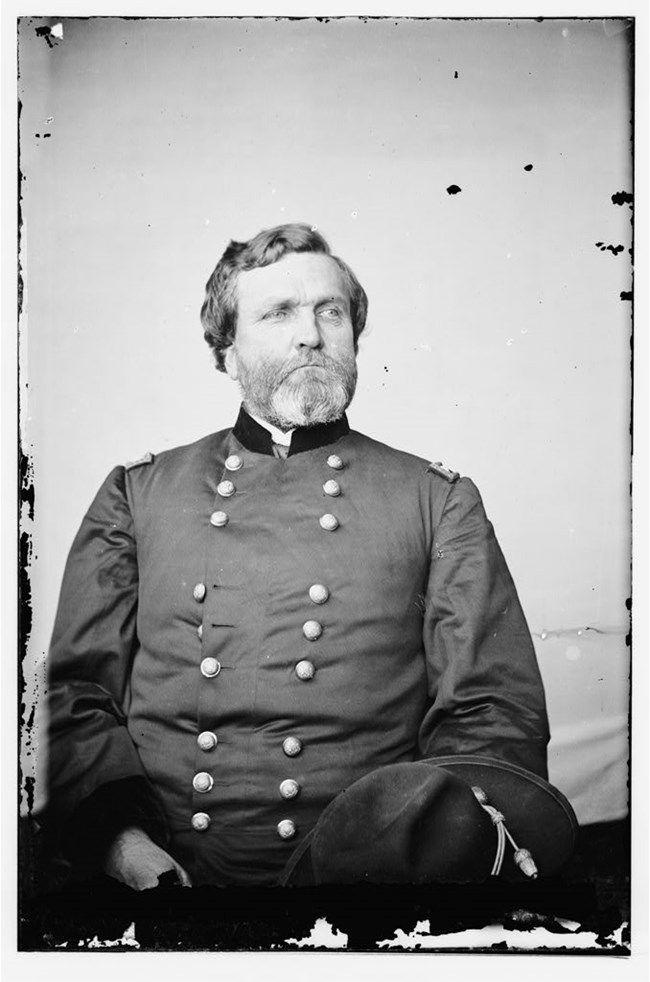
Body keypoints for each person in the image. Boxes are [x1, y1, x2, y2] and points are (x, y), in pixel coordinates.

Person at [45, 223, 559, 892]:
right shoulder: (137, 493)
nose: (311, 333)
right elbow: (72, 692)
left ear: (352, 335)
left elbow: (491, 709)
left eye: (330, 310)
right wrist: (120, 845)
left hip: (367, 887)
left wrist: (427, 848)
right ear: (226, 353)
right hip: (163, 882)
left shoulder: (439, 500)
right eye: (278, 312)